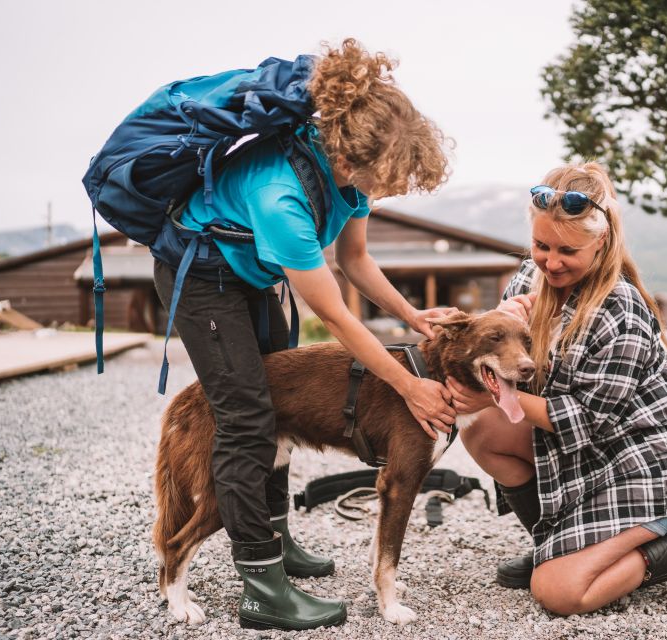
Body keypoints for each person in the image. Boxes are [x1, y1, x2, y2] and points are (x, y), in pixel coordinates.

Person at [152, 39, 457, 631]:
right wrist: (411, 387)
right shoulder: (281, 196)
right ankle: (260, 585)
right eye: (389, 181)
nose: (389, 191)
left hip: (251, 274)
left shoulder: (352, 179)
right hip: (203, 279)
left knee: (279, 401)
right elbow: (340, 320)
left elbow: (358, 262)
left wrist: (413, 318)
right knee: (246, 417)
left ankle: (274, 535)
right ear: (352, 157)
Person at [446, 163, 667, 616]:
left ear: (601, 242)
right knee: (484, 431)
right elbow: (502, 361)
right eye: (541, 245)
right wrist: (502, 319)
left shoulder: (620, 307)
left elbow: (583, 420)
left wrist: (498, 394)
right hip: (589, 453)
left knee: (560, 593)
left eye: (567, 250)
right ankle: (553, 541)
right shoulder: (528, 282)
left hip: (647, 461)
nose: (551, 261)